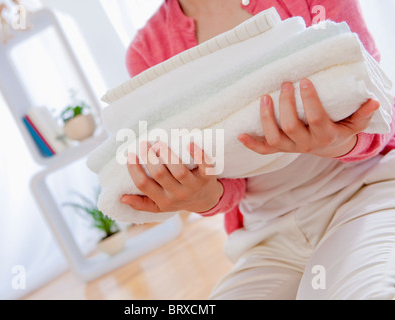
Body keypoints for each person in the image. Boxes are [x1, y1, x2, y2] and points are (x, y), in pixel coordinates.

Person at [119, 0, 395, 299]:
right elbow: (226, 178)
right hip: (266, 238)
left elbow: (379, 107)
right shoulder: (146, 51)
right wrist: (204, 195)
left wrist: (340, 140)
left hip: (363, 192)